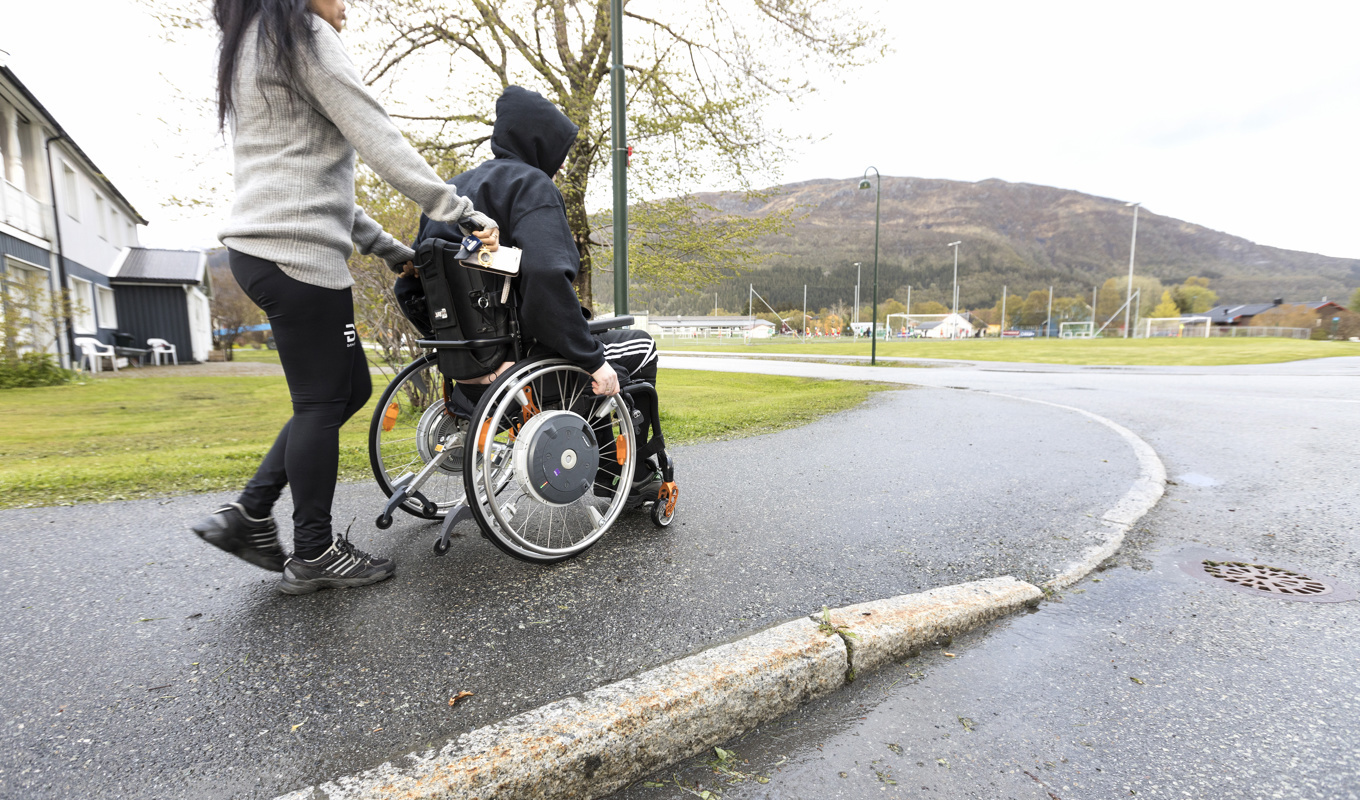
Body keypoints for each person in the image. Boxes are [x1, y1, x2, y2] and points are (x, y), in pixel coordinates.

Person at [191, 0, 498, 595]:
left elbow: (318, 185)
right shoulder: (299, 32)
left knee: (345, 391)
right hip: (297, 255)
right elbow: (375, 131)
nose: (347, 6)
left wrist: (391, 250)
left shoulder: (257, 41)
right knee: (320, 403)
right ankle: (313, 551)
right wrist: (458, 212)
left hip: (266, 250)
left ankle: (251, 512)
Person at [405, 85, 665, 501]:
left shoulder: (451, 193)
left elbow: (412, 285)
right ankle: (623, 474)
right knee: (640, 347)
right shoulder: (532, 184)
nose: (559, 168)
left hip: (465, 372)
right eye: (558, 156)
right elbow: (545, 278)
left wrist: (457, 347)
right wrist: (591, 359)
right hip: (524, 368)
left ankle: (603, 454)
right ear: (541, 145)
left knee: (594, 344)